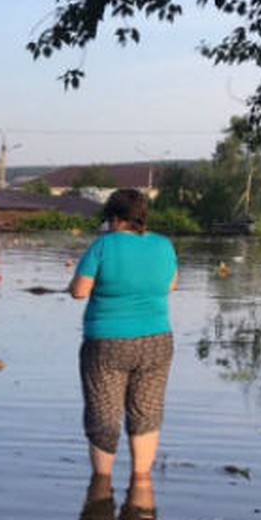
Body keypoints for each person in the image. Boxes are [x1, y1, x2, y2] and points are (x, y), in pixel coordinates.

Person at [69, 188, 178, 485]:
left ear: (114, 218)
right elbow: (169, 286)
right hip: (156, 341)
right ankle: (142, 486)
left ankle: (101, 487)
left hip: (107, 343)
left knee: (104, 413)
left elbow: (79, 291)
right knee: (147, 410)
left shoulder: (102, 246)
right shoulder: (164, 246)